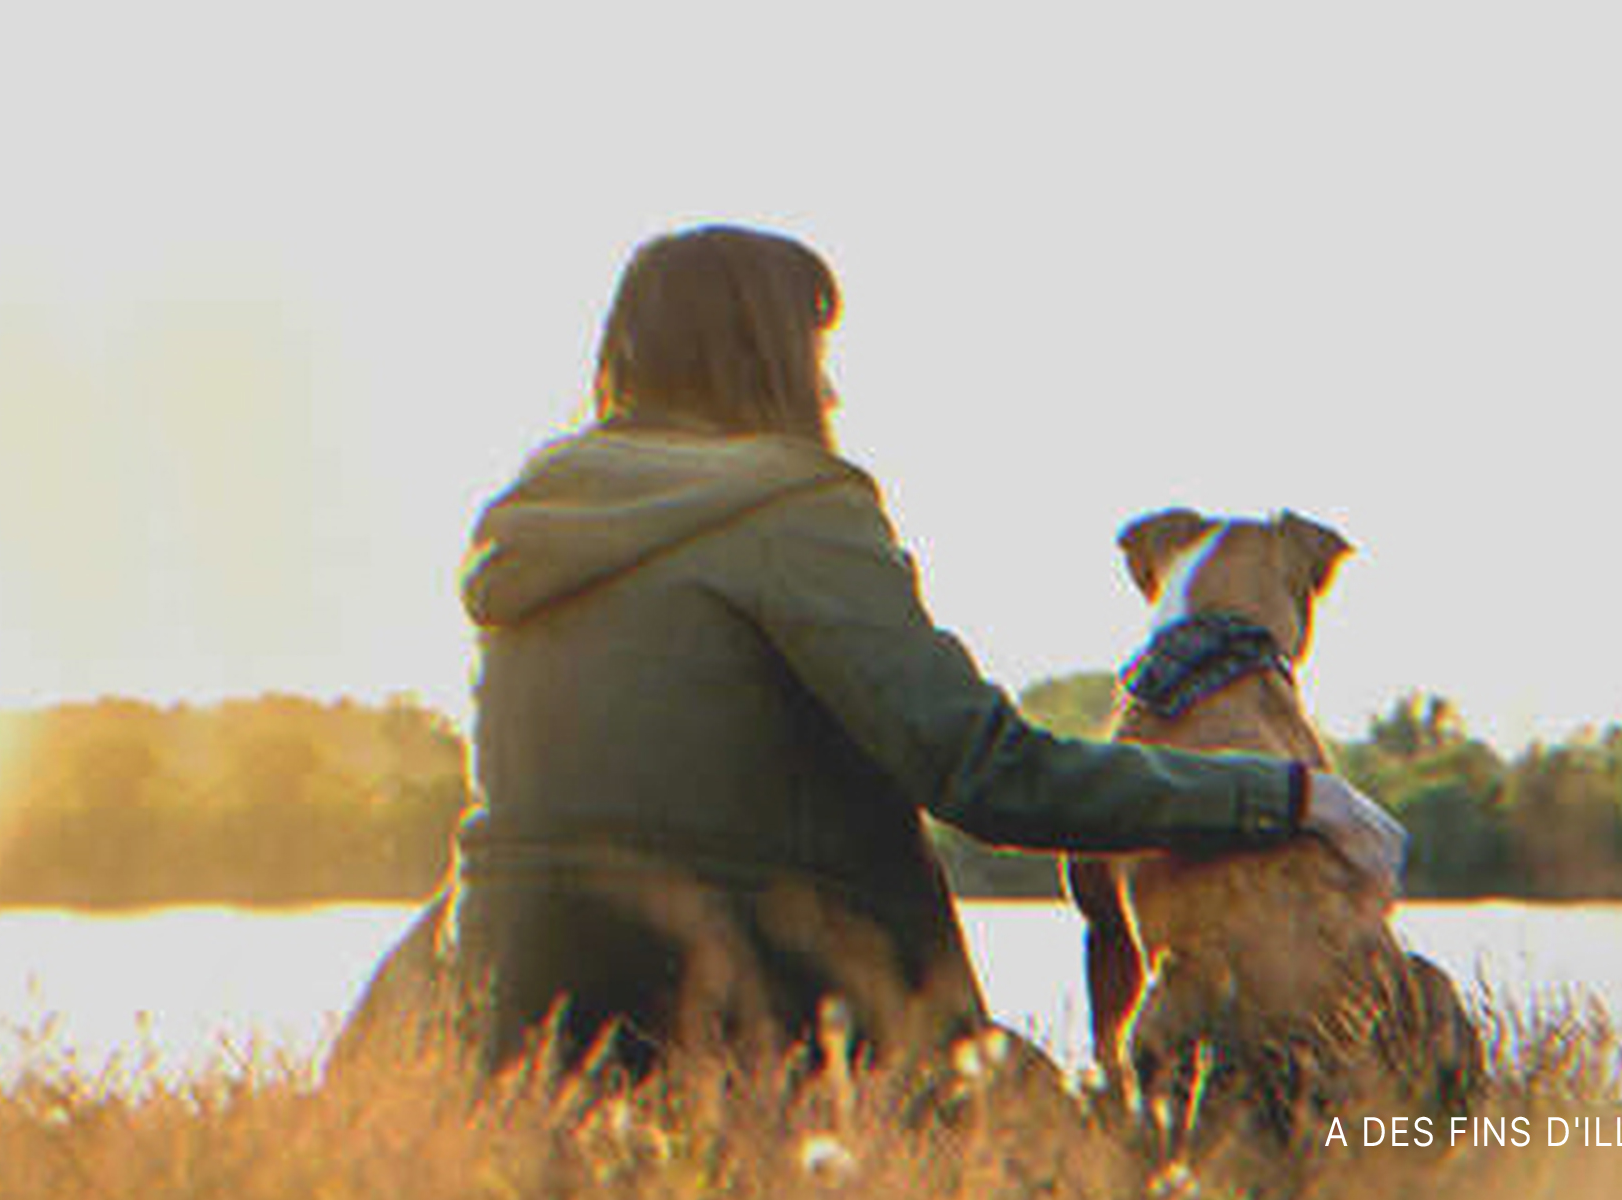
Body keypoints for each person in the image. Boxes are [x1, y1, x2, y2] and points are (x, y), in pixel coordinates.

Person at [448, 224, 1406, 1080]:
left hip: (515, 1024)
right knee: (1091, 1145)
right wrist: (1281, 794)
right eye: (815, 354)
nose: (829, 386)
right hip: (766, 1018)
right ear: (764, 359)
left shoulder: (535, 520)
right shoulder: (793, 510)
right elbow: (989, 776)